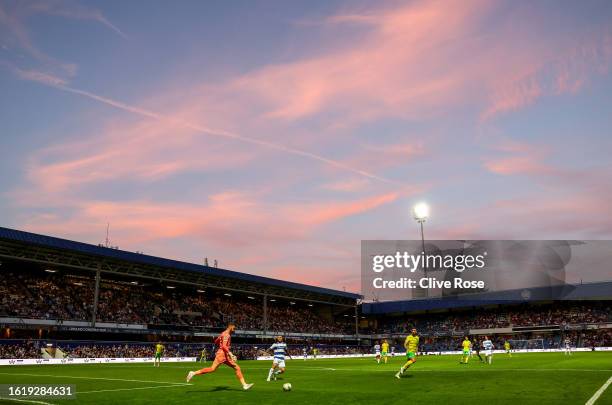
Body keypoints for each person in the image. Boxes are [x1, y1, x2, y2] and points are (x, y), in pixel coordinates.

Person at [186, 323, 254, 390]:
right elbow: (224, 346)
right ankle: (244, 385)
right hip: (223, 355)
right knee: (236, 368)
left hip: (221, 354)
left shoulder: (223, 333)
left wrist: (221, 346)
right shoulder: (227, 335)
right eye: (234, 328)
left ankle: (193, 373)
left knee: (214, 369)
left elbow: (216, 341)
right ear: (230, 326)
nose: (234, 330)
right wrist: (230, 354)